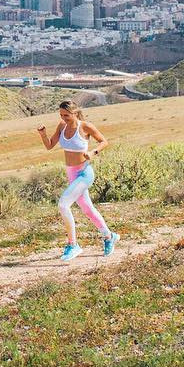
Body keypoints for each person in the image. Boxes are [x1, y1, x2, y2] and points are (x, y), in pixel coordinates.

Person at [37, 100, 119, 261]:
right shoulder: (62, 126)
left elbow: (104, 141)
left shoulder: (85, 126)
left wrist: (93, 152)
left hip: (84, 173)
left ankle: (73, 245)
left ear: (75, 113)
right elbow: (49, 146)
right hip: (71, 173)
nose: (63, 118)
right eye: (61, 115)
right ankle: (110, 236)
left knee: (63, 204)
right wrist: (43, 134)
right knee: (87, 209)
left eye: (66, 115)